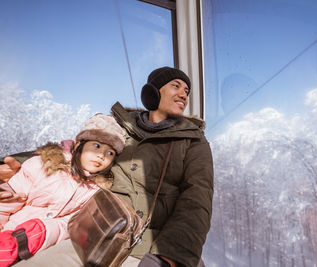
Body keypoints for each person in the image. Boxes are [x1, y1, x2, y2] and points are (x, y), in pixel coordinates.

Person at [0, 67, 214, 267]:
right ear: (152, 92)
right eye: (176, 86)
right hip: (95, 232)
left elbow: (197, 200)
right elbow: (75, 151)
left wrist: (168, 255)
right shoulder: (119, 126)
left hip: (150, 246)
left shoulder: (193, 142)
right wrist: (16, 162)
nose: (184, 95)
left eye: (187, 90)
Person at [0, 114, 126, 267]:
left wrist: (43, 231)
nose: (101, 155)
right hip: (7, 235)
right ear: (80, 144)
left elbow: (72, 224)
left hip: (41, 247)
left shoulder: (96, 191)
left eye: (110, 153)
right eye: (97, 146)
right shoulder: (43, 165)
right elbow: (8, 202)